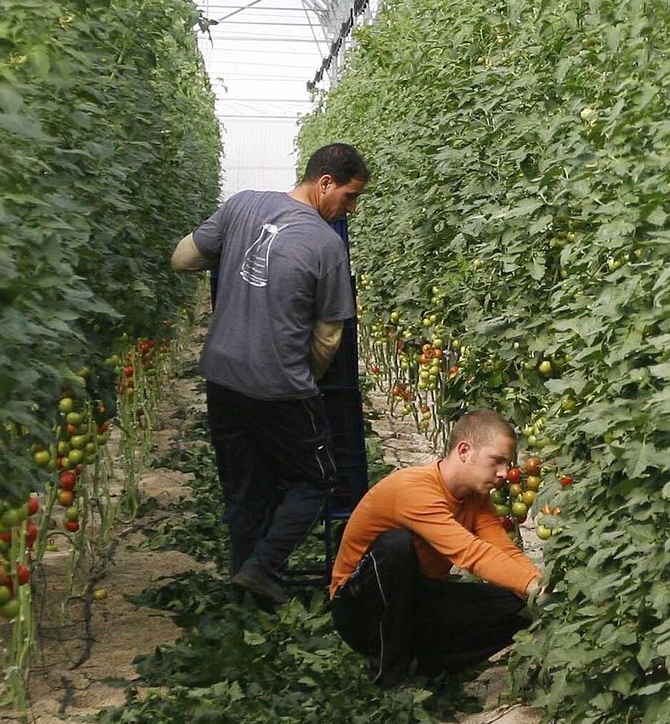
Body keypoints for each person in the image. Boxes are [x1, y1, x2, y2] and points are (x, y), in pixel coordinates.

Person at [170, 143, 369, 608]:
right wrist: (305, 383)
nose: (351, 209)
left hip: (222, 378)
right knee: (316, 480)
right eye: (350, 196)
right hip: (279, 386)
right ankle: (262, 567)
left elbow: (182, 258)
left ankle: (245, 595)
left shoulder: (242, 205)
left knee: (245, 489)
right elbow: (328, 338)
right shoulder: (327, 245)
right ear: (325, 183)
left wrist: (230, 262)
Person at [329, 409, 543, 686]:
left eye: (507, 463)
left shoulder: (476, 498)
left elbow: (505, 551)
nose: (503, 472)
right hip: (358, 609)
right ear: (464, 451)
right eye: (496, 461)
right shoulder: (414, 488)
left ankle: (426, 668)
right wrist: (533, 587)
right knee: (396, 546)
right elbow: (470, 553)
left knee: (517, 606)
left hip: (412, 600)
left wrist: (540, 587)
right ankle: (389, 677)